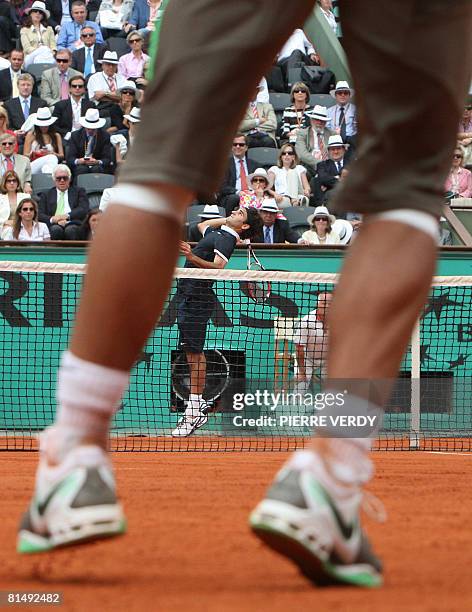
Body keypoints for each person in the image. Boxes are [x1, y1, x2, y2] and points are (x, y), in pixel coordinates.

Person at [17, 0, 472, 593]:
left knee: (157, 169)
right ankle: (331, 478)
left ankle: (73, 457)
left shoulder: (221, 238)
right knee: (405, 199)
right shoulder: (220, 230)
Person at [172, 207, 262, 438]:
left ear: (244, 227)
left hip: (198, 298)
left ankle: (194, 410)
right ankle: (196, 406)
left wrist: (191, 257)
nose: (233, 211)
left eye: (240, 213)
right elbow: (202, 226)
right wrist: (232, 220)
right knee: (191, 354)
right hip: (187, 295)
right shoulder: (218, 233)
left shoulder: (227, 240)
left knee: (195, 354)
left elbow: (219, 268)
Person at [293, 291, 332, 395]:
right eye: (324, 303)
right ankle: (293, 408)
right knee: (299, 389)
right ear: (317, 304)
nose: (327, 306)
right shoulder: (306, 321)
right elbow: (299, 349)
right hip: (307, 359)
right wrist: (301, 372)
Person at [38, 163, 89, 239]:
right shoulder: (46, 194)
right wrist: (53, 219)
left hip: (73, 222)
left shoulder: (79, 191)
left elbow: (83, 208)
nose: (62, 181)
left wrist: (66, 216)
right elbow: (40, 214)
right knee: (55, 229)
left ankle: (73, 251)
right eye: (59, 178)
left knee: (70, 230)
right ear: (54, 180)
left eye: (65, 178)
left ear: (70, 179)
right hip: (54, 224)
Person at [217, 133, 258, 215]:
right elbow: (222, 186)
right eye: (235, 144)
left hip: (252, 195)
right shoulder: (224, 164)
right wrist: (238, 192)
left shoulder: (254, 165)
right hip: (232, 195)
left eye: (241, 145)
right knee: (234, 198)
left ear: (246, 147)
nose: (237, 147)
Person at [66, 108, 112, 176]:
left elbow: (107, 159)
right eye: (88, 128)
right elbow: (70, 158)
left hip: (97, 166)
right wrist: (79, 161)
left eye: (93, 129)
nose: (90, 131)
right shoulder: (75, 135)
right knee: (81, 169)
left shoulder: (105, 136)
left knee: (96, 169)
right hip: (80, 166)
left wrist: (97, 162)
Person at [267, 143, 311, 208]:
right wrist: (275, 194)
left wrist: (307, 191)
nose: (286, 155)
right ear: (281, 157)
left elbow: (307, 187)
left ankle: (294, 200)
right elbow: (268, 188)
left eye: (289, 153)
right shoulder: (274, 169)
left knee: (292, 172)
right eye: (284, 153)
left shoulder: (299, 168)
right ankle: (294, 202)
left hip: (298, 194)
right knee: (285, 202)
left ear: (294, 157)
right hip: (282, 196)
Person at [52, 74, 95, 140]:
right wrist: (67, 134)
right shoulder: (60, 105)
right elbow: (54, 125)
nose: (77, 88)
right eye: (74, 86)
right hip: (67, 137)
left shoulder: (90, 105)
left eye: (80, 86)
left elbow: (94, 124)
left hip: (86, 137)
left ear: (84, 89)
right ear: (70, 89)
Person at [296, 105, 333, 178]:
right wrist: (320, 164)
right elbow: (301, 154)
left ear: (325, 122)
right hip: (310, 167)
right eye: (317, 119)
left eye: (322, 120)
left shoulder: (332, 134)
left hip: (329, 167)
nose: (319, 122)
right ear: (311, 120)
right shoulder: (302, 133)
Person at [23, 107, 63, 174]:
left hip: (50, 163)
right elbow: (25, 155)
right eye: (41, 125)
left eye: (46, 125)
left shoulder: (56, 135)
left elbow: (61, 155)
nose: (44, 127)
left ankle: (48, 180)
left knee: (47, 167)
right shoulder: (31, 135)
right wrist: (35, 153)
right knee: (51, 158)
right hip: (34, 164)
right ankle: (51, 179)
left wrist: (51, 153)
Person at [20, 1, 56, 68]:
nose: (38, 13)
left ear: (43, 16)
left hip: (47, 56)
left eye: (40, 12)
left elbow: (53, 46)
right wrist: (41, 51)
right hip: (30, 57)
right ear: (31, 13)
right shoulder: (24, 30)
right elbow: (27, 48)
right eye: (35, 11)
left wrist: (49, 53)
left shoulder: (49, 29)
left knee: (46, 57)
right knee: (44, 49)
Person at [326, 80, 357, 147]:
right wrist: (333, 133)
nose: (343, 95)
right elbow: (326, 129)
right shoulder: (329, 111)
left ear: (349, 95)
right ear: (335, 95)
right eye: (340, 93)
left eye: (345, 93)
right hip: (333, 142)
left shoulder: (355, 110)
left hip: (351, 142)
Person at [0, 170, 30, 238]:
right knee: (9, 231)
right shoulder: (0, 198)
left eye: (14, 180)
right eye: (9, 181)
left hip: (23, 225)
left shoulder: (26, 196)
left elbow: (30, 213)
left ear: (18, 183)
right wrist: (5, 222)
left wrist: (16, 222)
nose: (12, 183)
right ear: (4, 183)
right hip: (4, 226)